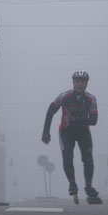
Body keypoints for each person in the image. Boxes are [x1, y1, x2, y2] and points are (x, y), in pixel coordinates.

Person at [41, 70, 99, 200]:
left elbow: (94, 120)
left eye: (83, 82)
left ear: (86, 84)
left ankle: (88, 186)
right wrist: (46, 132)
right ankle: (72, 184)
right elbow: (51, 111)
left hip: (83, 131)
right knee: (67, 156)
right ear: (73, 82)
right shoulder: (64, 97)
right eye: (77, 81)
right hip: (66, 132)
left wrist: (80, 120)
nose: (80, 84)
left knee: (88, 159)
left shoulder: (91, 99)